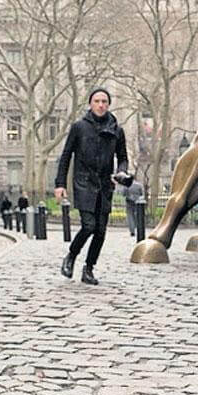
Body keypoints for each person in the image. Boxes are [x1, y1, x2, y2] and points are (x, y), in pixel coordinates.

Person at [55, 88, 130, 284]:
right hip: (84, 183)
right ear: (90, 104)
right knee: (88, 226)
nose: (101, 105)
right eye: (97, 101)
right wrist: (60, 184)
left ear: (108, 104)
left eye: (104, 101)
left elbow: (123, 158)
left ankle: (88, 268)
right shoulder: (79, 127)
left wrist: (121, 172)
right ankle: (71, 256)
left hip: (105, 185)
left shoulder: (116, 130)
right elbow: (66, 156)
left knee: (101, 230)